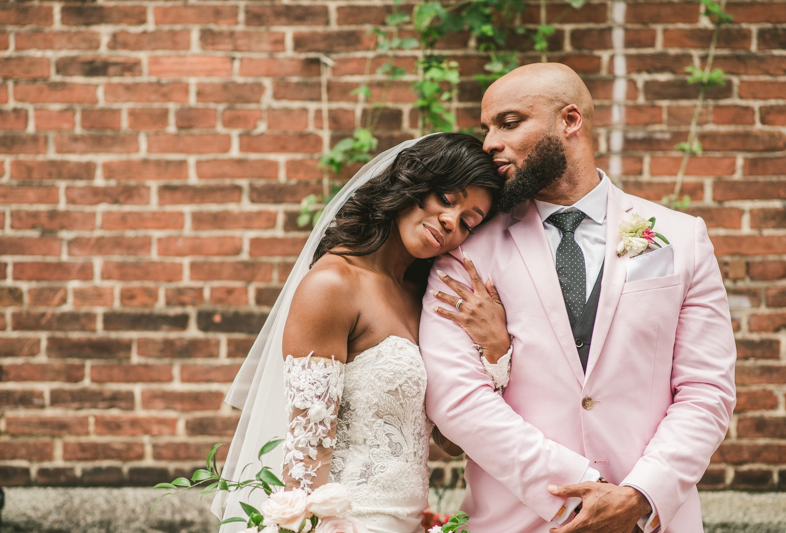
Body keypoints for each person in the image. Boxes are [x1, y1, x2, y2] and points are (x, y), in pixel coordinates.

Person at [420, 63, 736, 533]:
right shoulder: (466, 250)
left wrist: (639, 495)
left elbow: (706, 390)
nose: (488, 143)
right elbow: (457, 398)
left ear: (570, 121)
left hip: (649, 520)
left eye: (508, 123)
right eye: (486, 128)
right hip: (519, 521)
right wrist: (577, 490)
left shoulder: (680, 238)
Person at [213, 133, 513, 533]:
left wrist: (495, 351)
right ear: (413, 183)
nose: (450, 222)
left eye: (467, 222)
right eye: (446, 198)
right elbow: (305, 459)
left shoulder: (426, 299)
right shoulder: (332, 287)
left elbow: (452, 441)